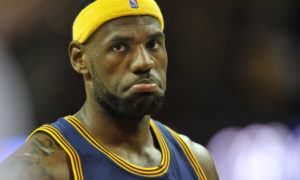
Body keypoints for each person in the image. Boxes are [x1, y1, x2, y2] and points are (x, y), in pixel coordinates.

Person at [0, 0, 219, 179]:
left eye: (152, 44)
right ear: (80, 59)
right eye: (119, 47)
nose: (143, 62)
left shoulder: (195, 160)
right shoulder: (42, 161)